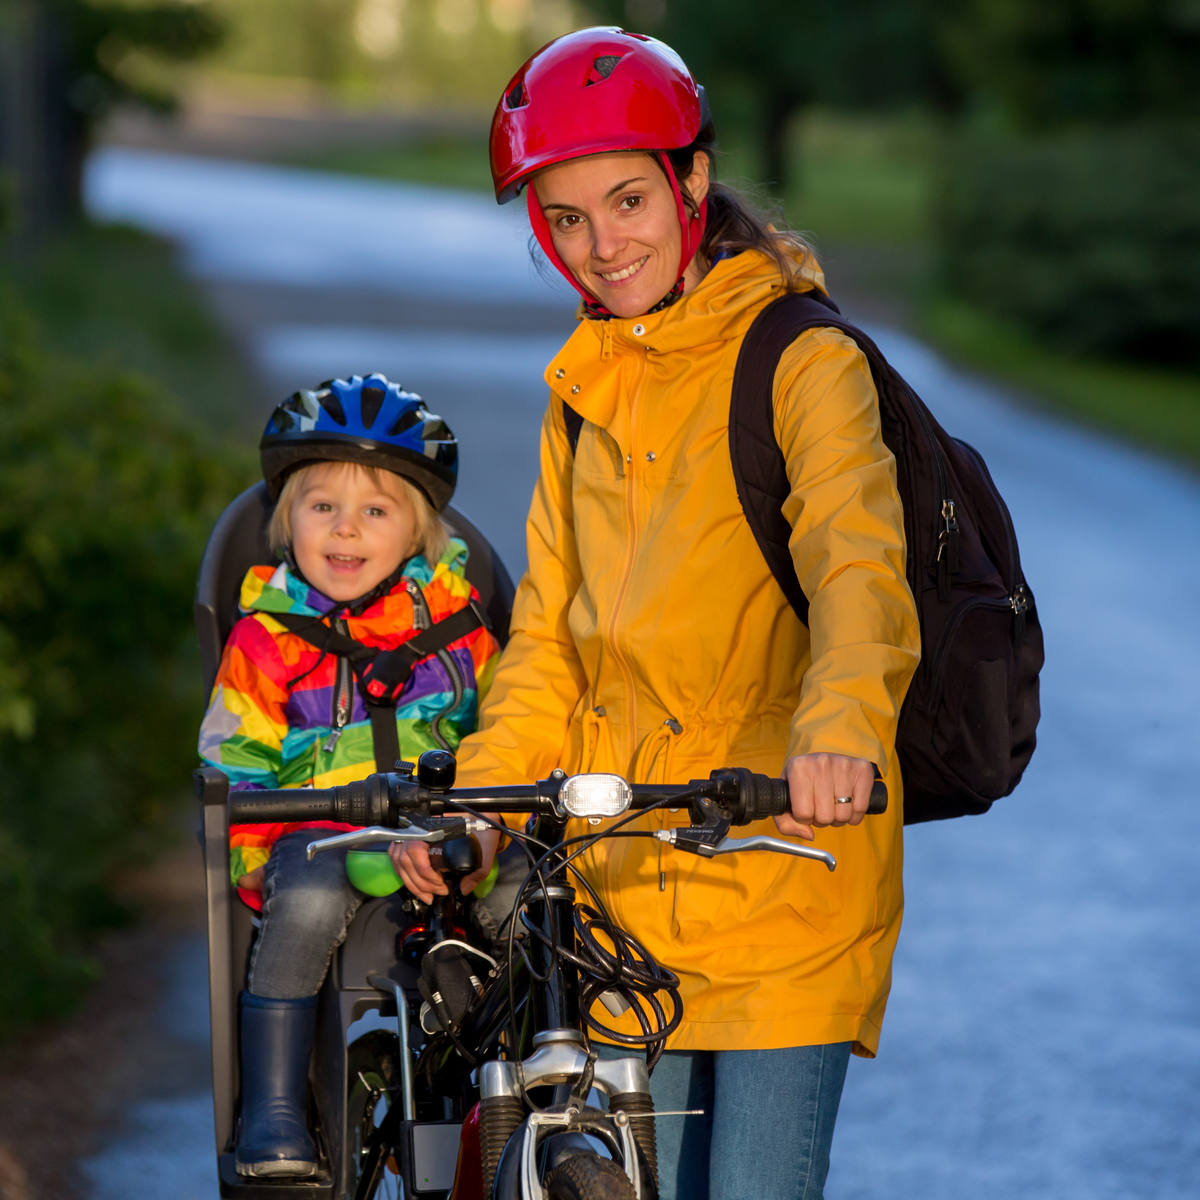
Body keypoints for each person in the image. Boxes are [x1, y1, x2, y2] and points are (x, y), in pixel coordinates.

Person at [394, 26, 922, 1200]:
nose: (601, 245)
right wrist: (485, 804)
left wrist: (838, 729)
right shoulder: (583, 391)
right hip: (621, 891)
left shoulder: (798, 357)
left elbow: (858, 571)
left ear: (690, 178)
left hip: (785, 853)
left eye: (627, 199)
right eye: (565, 219)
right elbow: (550, 642)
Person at [199, 374, 500, 1179]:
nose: (345, 528)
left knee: (519, 900)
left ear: (417, 533)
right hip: (322, 825)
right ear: (286, 523)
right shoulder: (266, 639)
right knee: (303, 906)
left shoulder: (458, 626)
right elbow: (233, 762)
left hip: (442, 824)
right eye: (320, 505)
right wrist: (257, 850)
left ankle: (521, 1080)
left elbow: (503, 734)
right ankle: (273, 1106)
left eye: (375, 509)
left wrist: (493, 821)